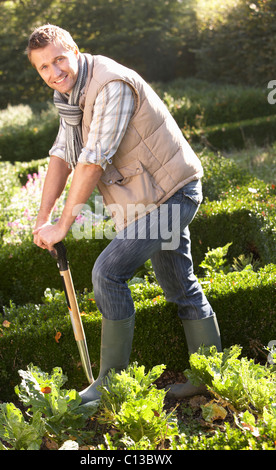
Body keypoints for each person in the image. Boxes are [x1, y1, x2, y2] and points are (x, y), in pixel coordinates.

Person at [26, 24, 222, 403]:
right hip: (149, 200)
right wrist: (42, 218)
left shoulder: (110, 84)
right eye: (43, 68)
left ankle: (109, 384)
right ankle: (209, 376)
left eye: (58, 60)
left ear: (76, 52)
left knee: (108, 272)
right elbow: (62, 155)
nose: (53, 73)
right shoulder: (71, 99)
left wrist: (64, 225)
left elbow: (92, 160)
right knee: (180, 286)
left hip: (173, 195)